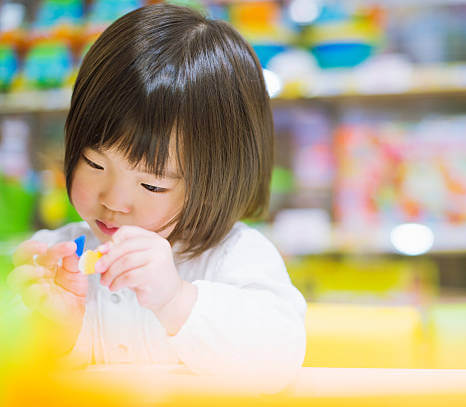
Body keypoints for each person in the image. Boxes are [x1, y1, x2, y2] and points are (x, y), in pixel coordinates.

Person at [6, 3, 306, 392]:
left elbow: (279, 358)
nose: (114, 199)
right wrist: (53, 329)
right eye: (94, 164)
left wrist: (177, 300)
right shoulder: (60, 256)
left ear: (217, 181)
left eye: (152, 185)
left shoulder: (236, 256)